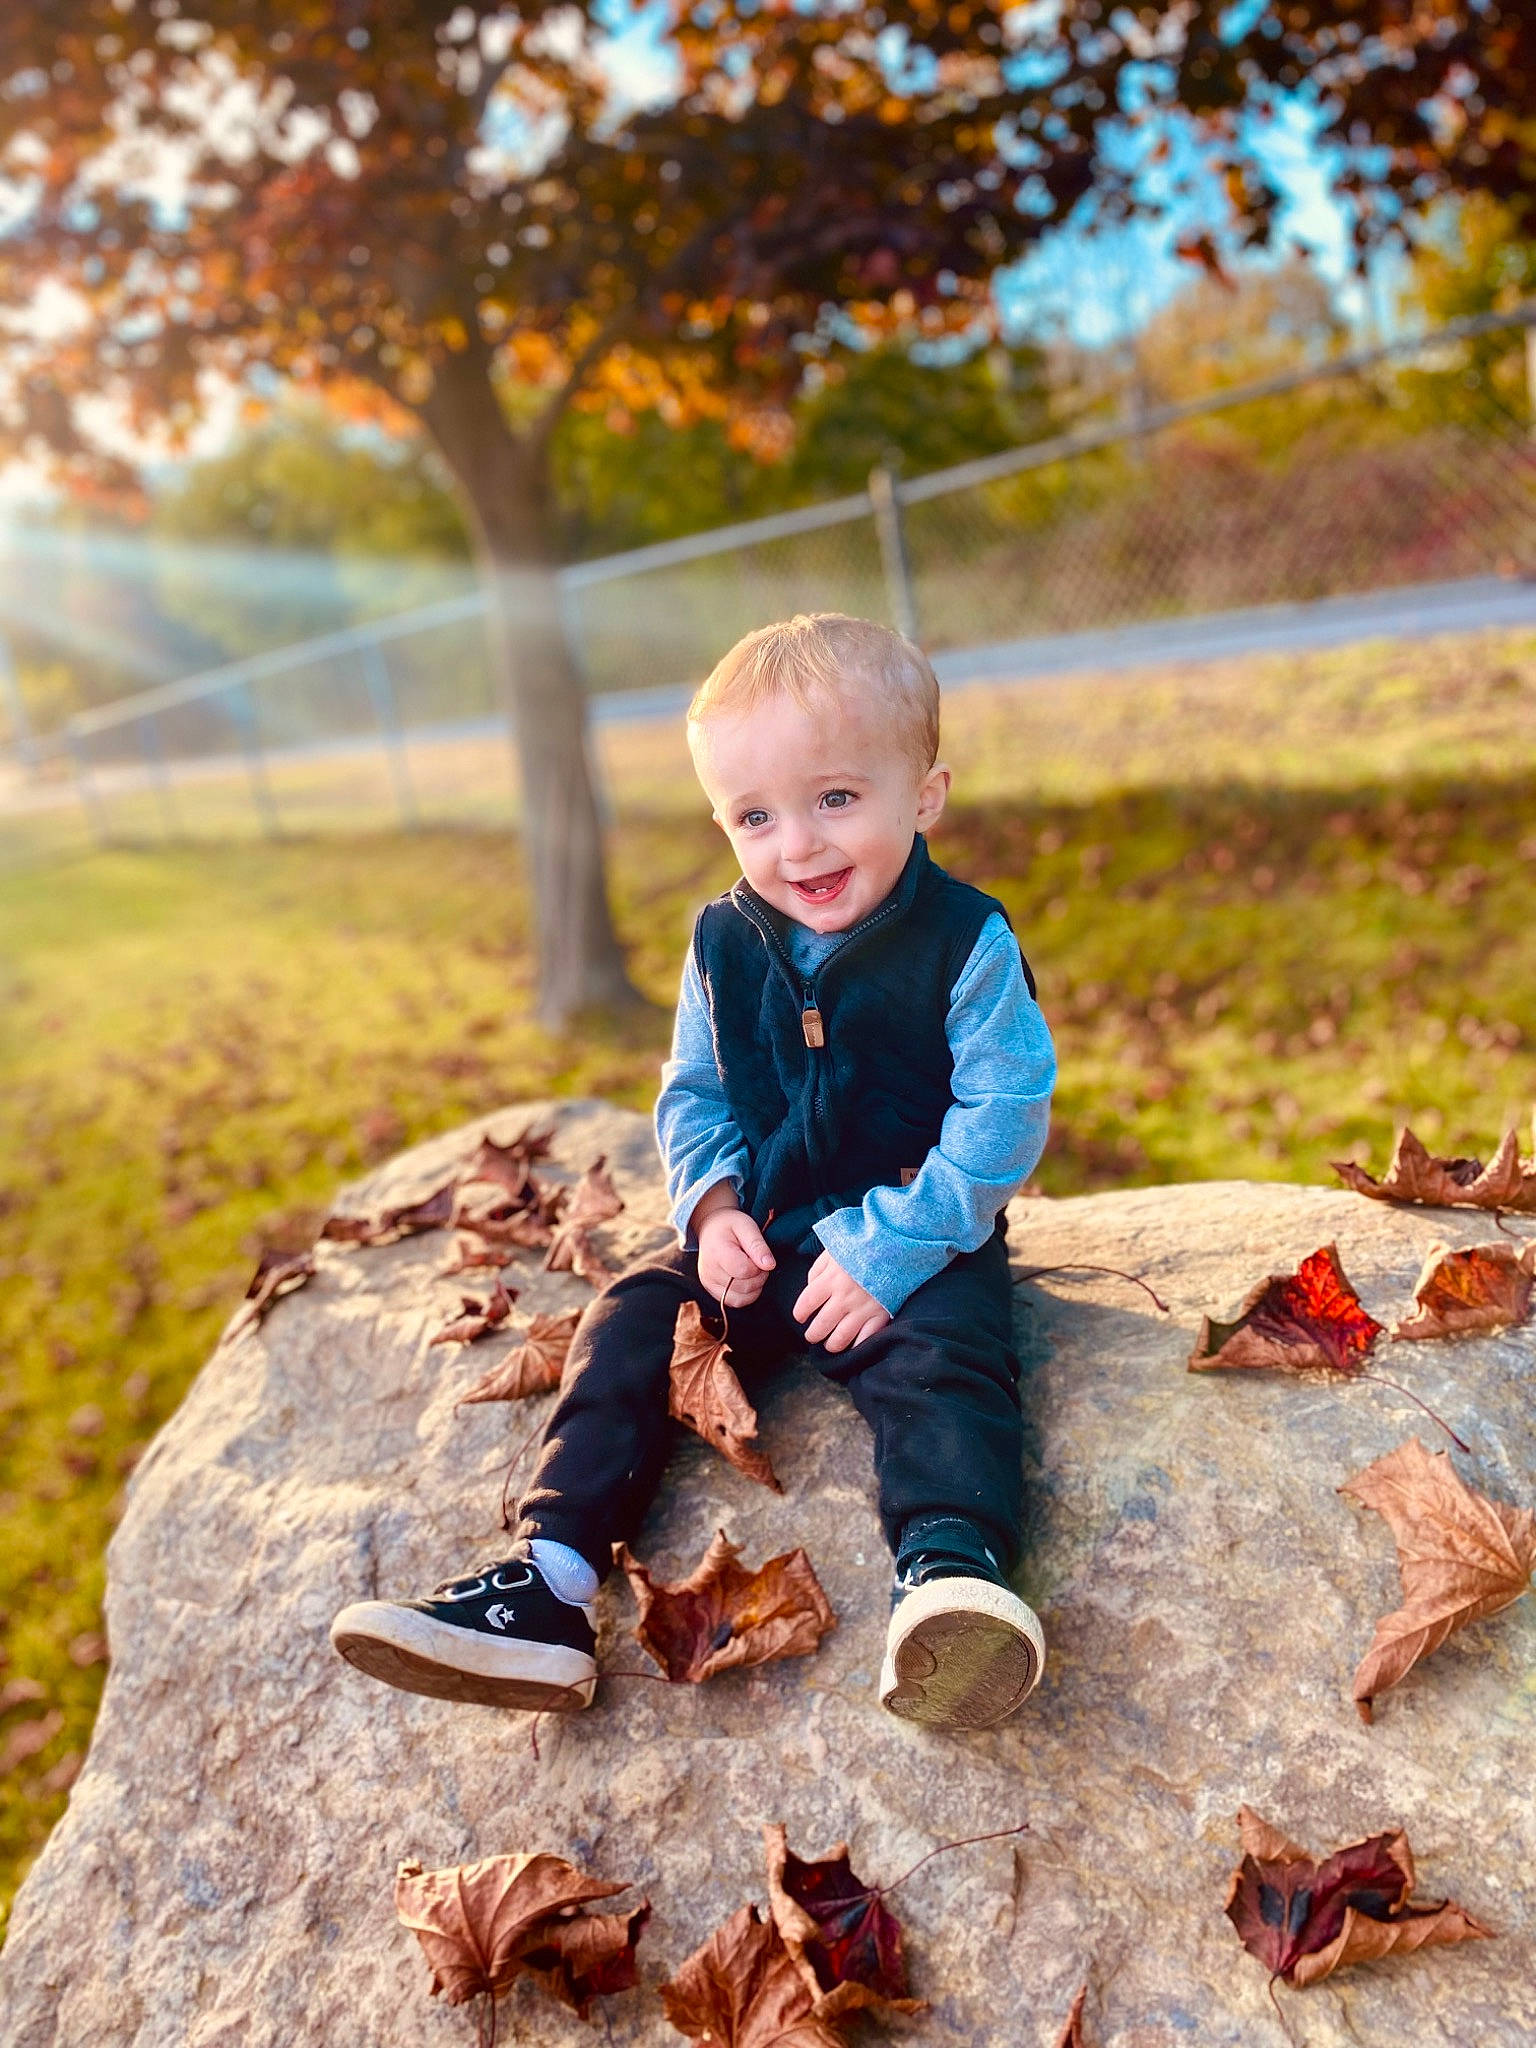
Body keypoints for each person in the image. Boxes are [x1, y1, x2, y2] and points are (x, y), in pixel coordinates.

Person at [331, 613, 1057, 1731]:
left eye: (836, 798)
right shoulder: (725, 942)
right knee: (633, 1317)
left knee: (948, 1361)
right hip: (765, 1227)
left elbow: (1005, 1110)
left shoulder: (965, 941)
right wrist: (712, 1208)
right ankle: (551, 1583)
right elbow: (695, 1091)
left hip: (914, 1233)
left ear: (924, 796)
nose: (798, 847)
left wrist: (902, 1243)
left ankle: (948, 1577)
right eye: (755, 816)